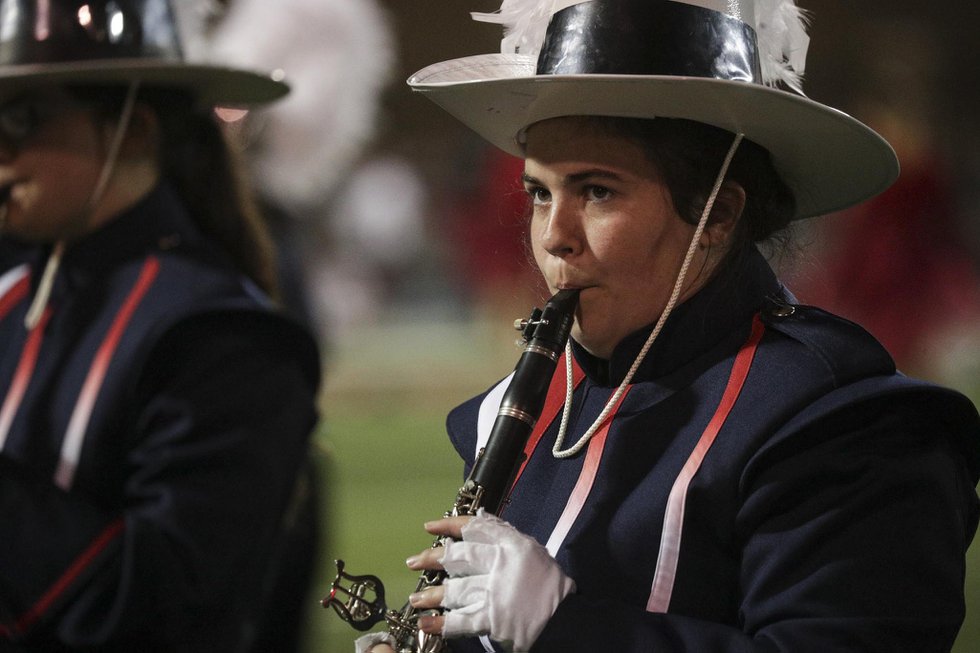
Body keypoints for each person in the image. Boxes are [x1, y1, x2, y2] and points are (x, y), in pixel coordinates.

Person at [355, 0, 980, 651]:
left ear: (718, 213)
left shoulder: (844, 426)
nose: (553, 237)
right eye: (540, 192)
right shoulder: (525, 407)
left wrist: (570, 628)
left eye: (597, 190)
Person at [0, 1, 320, 651]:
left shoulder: (226, 340)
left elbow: (164, 611)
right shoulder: (13, 295)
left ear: (135, 129)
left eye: (22, 117)